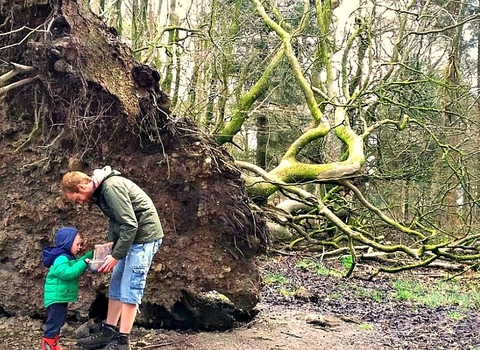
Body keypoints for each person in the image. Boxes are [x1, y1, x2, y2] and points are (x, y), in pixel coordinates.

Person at [61, 166, 164, 350]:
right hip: (130, 239)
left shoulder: (111, 188)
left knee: (130, 286)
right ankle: (109, 331)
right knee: (116, 284)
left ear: (81, 187)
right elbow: (115, 221)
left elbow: (130, 224)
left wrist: (116, 256)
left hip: (143, 239)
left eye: (77, 199)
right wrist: (111, 247)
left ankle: (123, 341)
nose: (80, 203)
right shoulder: (101, 192)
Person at [42, 226, 94, 350]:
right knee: (53, 324)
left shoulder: (67, 257)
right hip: (56, 298)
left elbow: (75, 264)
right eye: (77, 244)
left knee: (58, 323)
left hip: (60, 297)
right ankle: (48, 346)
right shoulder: (61, 258)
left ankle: (54, 345)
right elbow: (68, 273)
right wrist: (85, 262)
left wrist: (91, 254)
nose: (80, 247)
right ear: (68, 243)